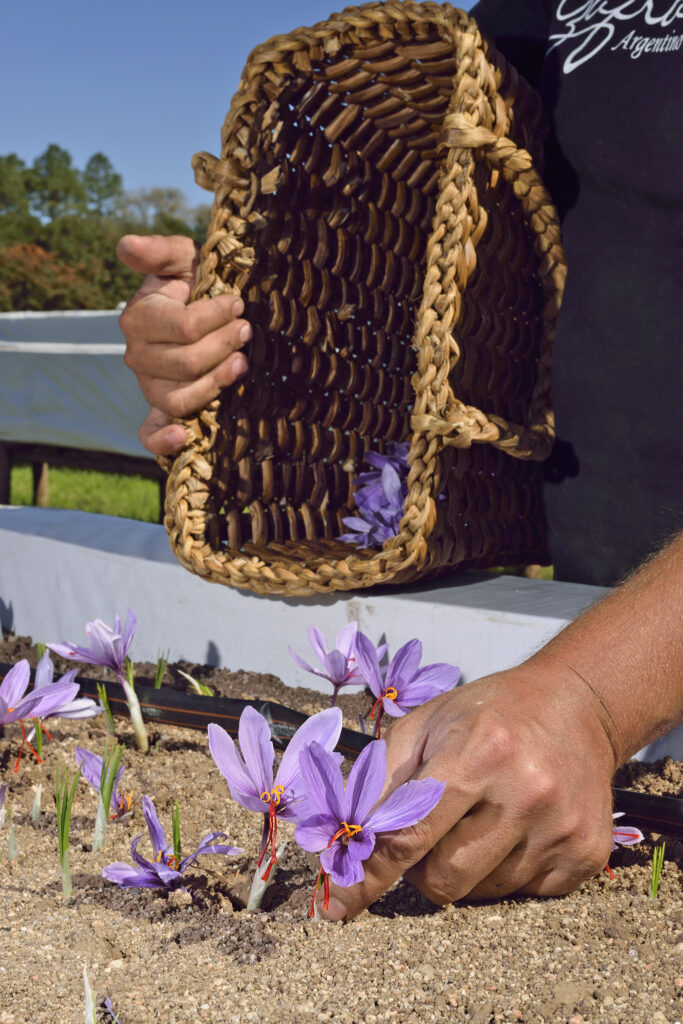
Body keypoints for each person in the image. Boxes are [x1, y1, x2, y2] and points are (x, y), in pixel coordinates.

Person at [117, 0, 683, 919]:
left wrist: (593, 693)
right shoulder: (528, 15)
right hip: (586, 625)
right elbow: (418, 260)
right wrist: (239, 330)